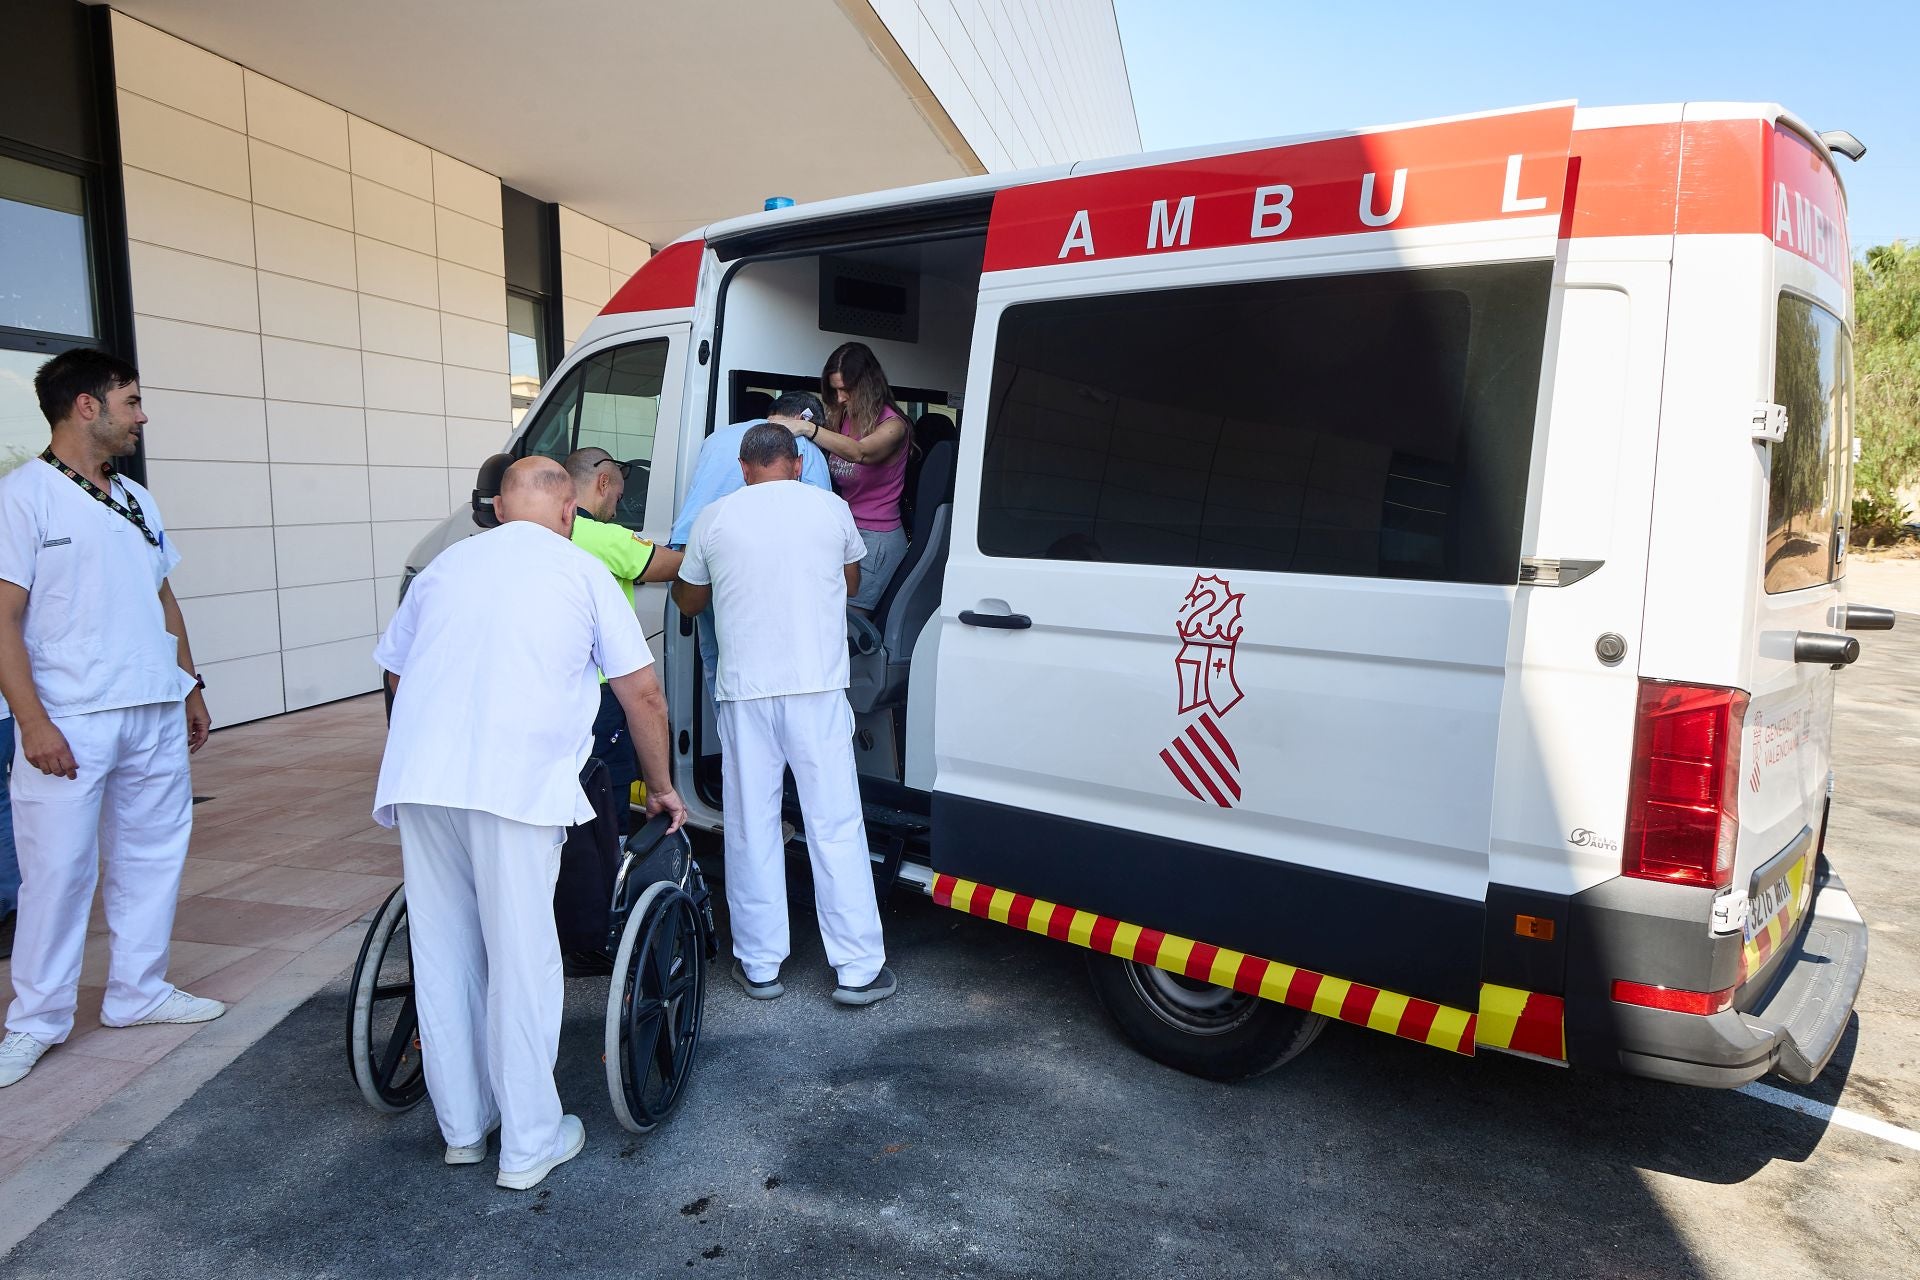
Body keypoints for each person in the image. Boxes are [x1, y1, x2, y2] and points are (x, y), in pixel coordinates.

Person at [372, 456, 686, 1190]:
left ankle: (462, 1131)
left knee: (446, 951)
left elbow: (395, 673)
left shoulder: (447, 568)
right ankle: (528, 1144)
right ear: (570, 512)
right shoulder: (578, 571)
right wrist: (663, 788)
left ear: (502, 510)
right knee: (522, 956)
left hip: (424, 781)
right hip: (513, 783)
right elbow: (643, 696)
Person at [0, 349, 219, 1090]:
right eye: (131, 400)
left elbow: (162, 599)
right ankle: (34, 1021)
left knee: (151, 857)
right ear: (86, 407)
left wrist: (189, 686)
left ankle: (138, 992)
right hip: (70, 716)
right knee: (58, 874)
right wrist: (31, 721)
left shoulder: (135, 498)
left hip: (153, 708)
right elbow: (3, 619)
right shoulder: (23, 497)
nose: (142, 415)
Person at [671, 425, 894, 1007]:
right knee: (835, 823)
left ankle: (761, 965)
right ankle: (857, 969)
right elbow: (848, 584)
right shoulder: (830, 509)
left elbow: (689, 600)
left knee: (752, 824)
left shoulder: (716, 516)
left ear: (744, 469)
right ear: (797, 464)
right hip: (816, 688)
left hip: (747, 692)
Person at [668, 391, 834, 702]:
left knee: (720, 663)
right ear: (804, 420)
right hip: (761, 572)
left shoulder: (718, 438)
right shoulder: (803, 448)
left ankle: (733, 738)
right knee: (775, 671)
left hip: (697, 558)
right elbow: (820, 522)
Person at [562, 446, 683, 833]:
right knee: (604, 799)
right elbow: (675, 567)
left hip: (554, 691)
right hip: (602, 695)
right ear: (602, 482)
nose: (619, 502)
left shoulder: (540, 536)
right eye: (618, 492)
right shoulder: (602, 536)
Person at [789, 343, 911, 616]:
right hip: (847, 532)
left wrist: (808, 428)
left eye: (847, 389)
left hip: (876, 541)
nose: (841, 397)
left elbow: (860, 452)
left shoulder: (893, 426)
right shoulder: (842, 418)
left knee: (847, 626)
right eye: (834, 389)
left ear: (868, 385)